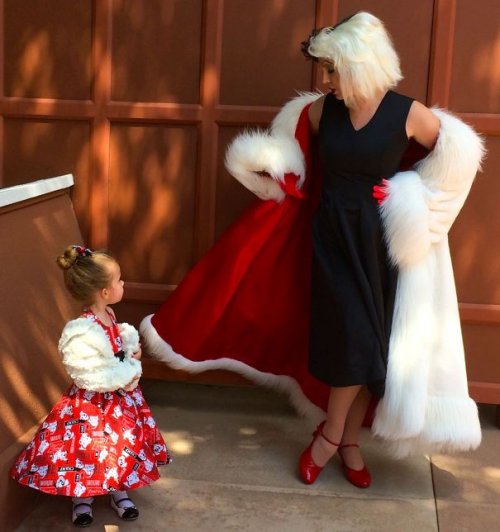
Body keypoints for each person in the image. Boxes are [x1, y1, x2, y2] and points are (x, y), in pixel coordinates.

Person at [140, 12, 483, 488]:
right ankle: (334, 438)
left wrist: (412, 199)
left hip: (382, 245)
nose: (326, 80)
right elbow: (294, 159)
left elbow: (454, 162)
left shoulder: (409, 114)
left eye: (333, 70)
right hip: (331, 240)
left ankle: (341, 439)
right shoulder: (321, 112)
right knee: (352, 341)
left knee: (373, 349)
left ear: (360, 64)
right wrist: (270, 169)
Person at [11, 245, 171, 527]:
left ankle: (119, 491)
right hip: (91, 405)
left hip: (120, 402)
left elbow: (115, 350)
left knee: (121, 446)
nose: (123, 283)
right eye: (119, 280)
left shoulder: (110, 315)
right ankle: (81, 499)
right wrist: (126, 370)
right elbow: (88, 371)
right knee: (86, 449)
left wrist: (130, 352)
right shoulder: (82, 330)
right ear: (105, 291)